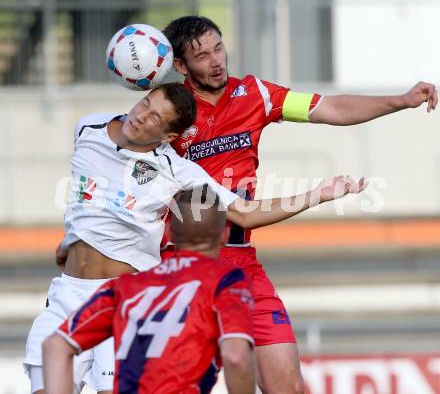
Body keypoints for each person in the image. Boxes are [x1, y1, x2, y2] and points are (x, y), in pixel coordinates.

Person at [24, 81, 365, 394]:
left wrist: (317, 194)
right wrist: (72, 238)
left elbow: (244, 212)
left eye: (155, 117)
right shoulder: (89, 127)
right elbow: (89, 197)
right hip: (67, 291)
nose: (140, 115)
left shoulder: (176, 170)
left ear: (168, 137)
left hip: (121, 300)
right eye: (145, 103)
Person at [162, 15, 438, 394]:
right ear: (181, 66)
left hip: (242, 263)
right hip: (184, 265)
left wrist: (400, 100)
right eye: (202, 56)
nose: (216, 61)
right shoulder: (169, 109)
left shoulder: (255, 94)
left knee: (290, 388)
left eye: (219, 48)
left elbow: (329, 108)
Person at [42, 185, 257, 394]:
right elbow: (235, 357)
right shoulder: (226, 280)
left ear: (170, 233)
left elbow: (56, 344)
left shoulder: (126, 286)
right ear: (225, 235)